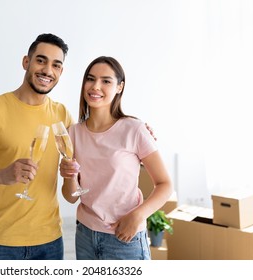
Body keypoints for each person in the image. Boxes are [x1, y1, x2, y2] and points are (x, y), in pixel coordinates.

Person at [0, 33, 73, 260]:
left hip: (50, 241)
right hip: (0, 243)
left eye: (56, 65)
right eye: (41, 60)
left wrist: (135, 127)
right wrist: (1, 175)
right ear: (26, 62)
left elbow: (92, 142)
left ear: (60, 72)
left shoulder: (62, 114)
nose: (48, 70)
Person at [59, 56, 173, 260]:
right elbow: (71, 196)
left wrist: (138, 215)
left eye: (106, 81)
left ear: (120, 87)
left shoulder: (135, 129)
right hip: (85, 235)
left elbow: (165, 185)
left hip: (124, 237)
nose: (95, 86)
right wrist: (69, 176)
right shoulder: (73, 133)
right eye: (90, 79)